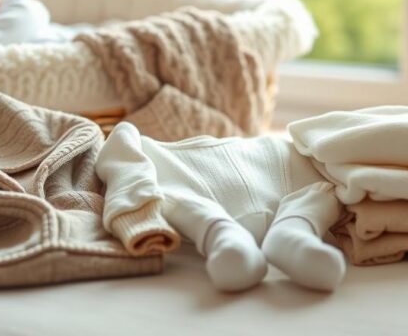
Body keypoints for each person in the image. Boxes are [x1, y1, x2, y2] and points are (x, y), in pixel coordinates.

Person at [97, 121, 346, 292]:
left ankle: (290, 232)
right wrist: (138, 219)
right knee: (322, 193)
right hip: (181, 172)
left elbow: (118, 146)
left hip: (274, 162)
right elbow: (119, 145)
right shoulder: (147, 151)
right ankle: (243, 235)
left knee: (327, 192)